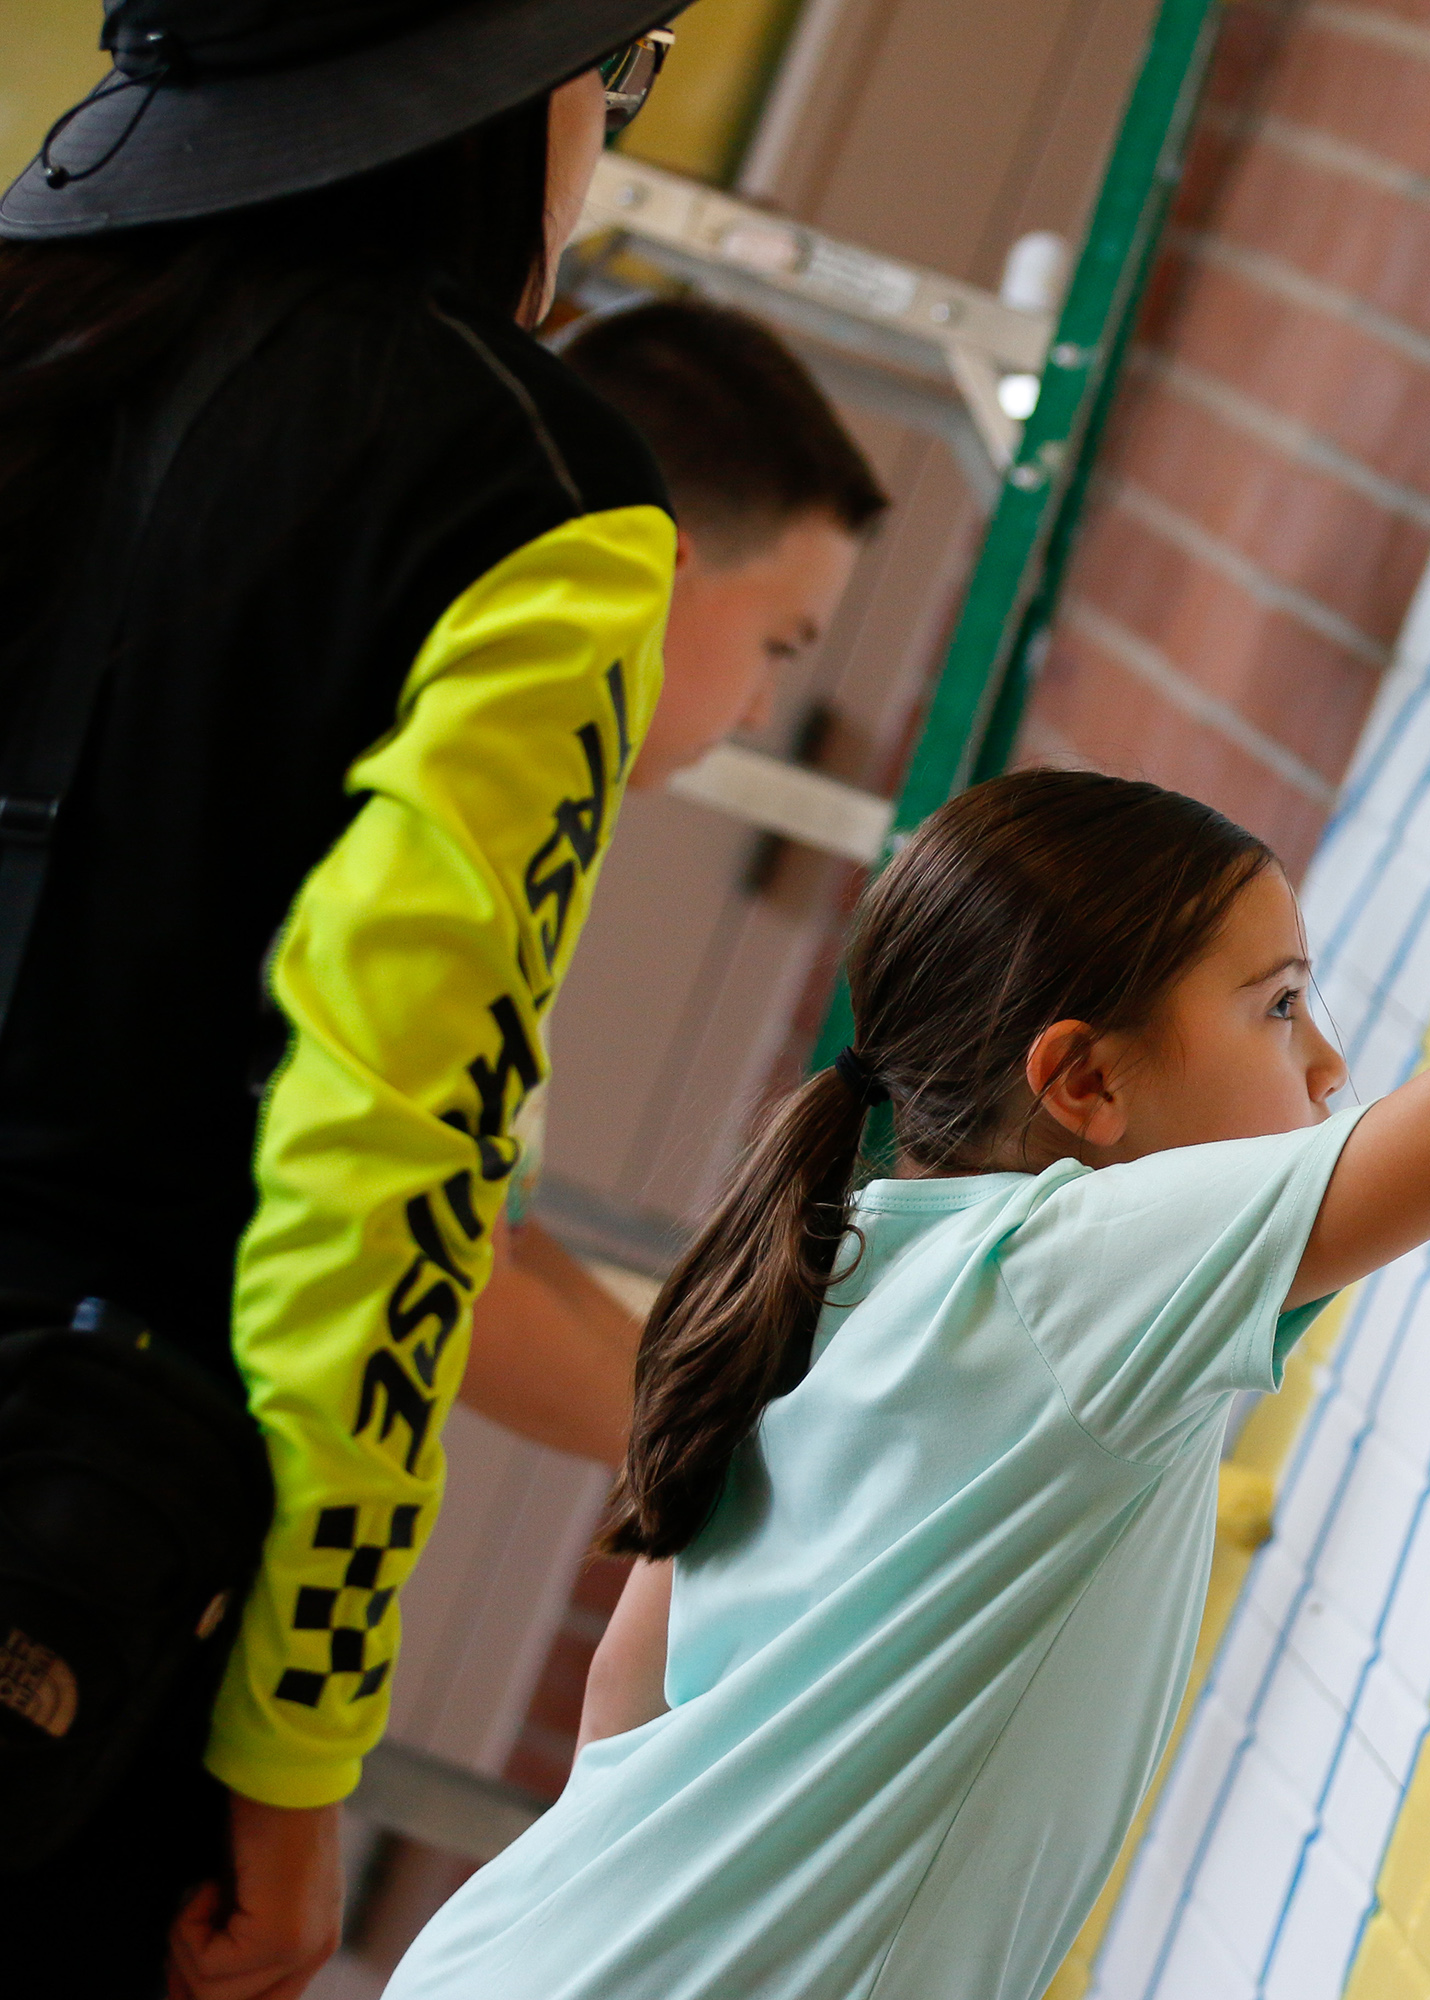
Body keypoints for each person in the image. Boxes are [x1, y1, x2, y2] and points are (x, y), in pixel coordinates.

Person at [384, 583, 1430, 1999]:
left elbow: (626, 1696)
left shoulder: (862, 1262)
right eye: (1277, 1007)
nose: (1325, 1066)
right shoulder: (1067, 1273)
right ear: (1083, 1087)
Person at [0, 2, 685, 1992]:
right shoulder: (532, 495)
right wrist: (292, 1781)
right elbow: (387, 1177)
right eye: (617, 70)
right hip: (71, 1580)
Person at [461, 297, 891, 1466]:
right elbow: (432, 1288)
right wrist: (788, 1486)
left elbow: (485, 1235)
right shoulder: (456, 802)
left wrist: (777, 1421)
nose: (761, 709)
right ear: (660, 565)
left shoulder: (527, 797)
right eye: (778, 643)